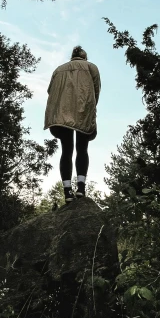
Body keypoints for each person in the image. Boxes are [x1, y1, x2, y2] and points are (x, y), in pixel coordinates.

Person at [44, 46, 101, 203]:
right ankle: (81, 188)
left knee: (66, 150)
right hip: (82, 110)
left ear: (72, 56)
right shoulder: (91, 67)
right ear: (84, 56)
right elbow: (96, 91)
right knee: (82, 148)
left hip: (61, 113)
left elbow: (50, 91)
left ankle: (67, 191)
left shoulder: (58, 69)